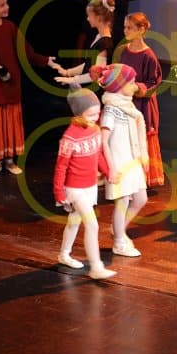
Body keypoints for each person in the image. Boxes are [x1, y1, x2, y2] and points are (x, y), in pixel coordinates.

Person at [0, 0, 63, 177]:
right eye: (1, 5)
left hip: (10, 85)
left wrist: (46, 61)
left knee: (10, 122)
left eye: (6, 3)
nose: (7, 7)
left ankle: (9, 160)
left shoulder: (10, 27)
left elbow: (26, 51)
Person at [53, 87, 117, 280]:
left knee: (74, 221)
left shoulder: (95, 130)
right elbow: (61, 167)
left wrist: (107, 171)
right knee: (92, 225)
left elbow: (98, 155)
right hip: (75, 189)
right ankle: (96, 267)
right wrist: (59, 192)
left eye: (97, 113)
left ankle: (64, 254)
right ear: (78, 114)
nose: (95, 118)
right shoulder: (70, 137)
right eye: (90, 115)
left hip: (90, 187)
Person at [96, 63, 150, 257]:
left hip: (131, 161)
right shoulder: (111, 109)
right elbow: (104, 140)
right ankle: (119, 242)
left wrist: (142, 155)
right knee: (123, 202)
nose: (135, 86)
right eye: (132, 82)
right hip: (119, 164)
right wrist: (110, 168)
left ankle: (118, 229)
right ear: (120, 86)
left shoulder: (127, 106)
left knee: (141, 198)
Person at [110, 12, 164, 187]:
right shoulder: (121, 50)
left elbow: (153, 83)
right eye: (124, 27)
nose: (125, 31)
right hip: (123, 102)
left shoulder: (149, 56)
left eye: (130, 28)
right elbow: (115, 72)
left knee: (139, 139)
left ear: (141, 30)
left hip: (141, 105)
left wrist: (136, 88)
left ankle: (139, 179)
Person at [54, 0, 116, 87]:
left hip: (93, 91)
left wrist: (72, 80)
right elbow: (88, 65)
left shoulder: (105, 43)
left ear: (98, 18)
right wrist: (68, 72)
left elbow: (96, 75)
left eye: (89, 16)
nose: (87, 19)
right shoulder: (99, 37)